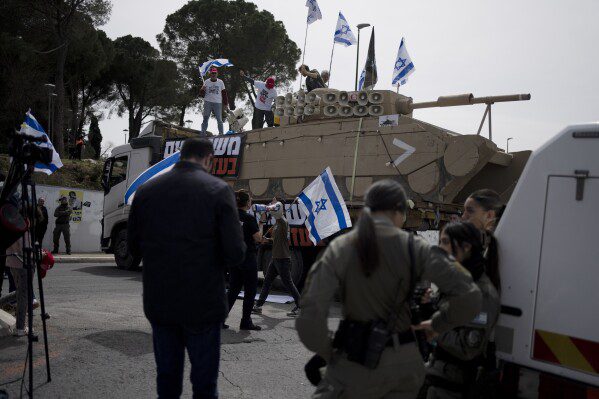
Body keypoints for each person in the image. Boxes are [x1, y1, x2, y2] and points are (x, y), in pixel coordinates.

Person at [296, 179, 482, 399]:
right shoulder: (417, 247)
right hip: (406, 367)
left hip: (355, 363)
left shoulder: (341, 248)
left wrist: (330, 352)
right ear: (399, 212)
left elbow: (309, 319)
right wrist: (437, 325)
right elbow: (470, 296)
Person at [127, 137, 246, 399]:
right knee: (204, 385)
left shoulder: (147, 190)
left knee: (167, 381)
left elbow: (133, 247)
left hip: (160, 301)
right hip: (203, 304)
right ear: (208, 159)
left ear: (181, 156)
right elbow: (236, 253)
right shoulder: (218, 190)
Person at [418, 222, 501, 399]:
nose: (441, 248)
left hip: (455, 387)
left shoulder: (481, 293)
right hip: (437, 376)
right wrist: (428, 308)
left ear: (466, 247)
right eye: (440, 241)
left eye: (446, 242)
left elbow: (466, 348)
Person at [253, 200, 302, 317]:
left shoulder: (284, 223)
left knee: (288, 283)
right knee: (267, 282)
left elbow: (284, 235)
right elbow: (277, 240)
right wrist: (268, 240)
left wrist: (274, 208)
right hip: (275, 259)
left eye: (275, 209)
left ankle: (301, 306)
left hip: (283, 259)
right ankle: (259, 305)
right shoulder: (277, 223)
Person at [225, 190, 264, 331]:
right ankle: (245, 321)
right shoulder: (249, 218)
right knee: (250, 290)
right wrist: (261, 223)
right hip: (248, 258)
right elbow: (258, 238)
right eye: (250, 200)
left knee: (233, 289)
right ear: (247, 203)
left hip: (234, 258)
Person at [201, 67, 226, 135]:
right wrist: (202, 90)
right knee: (205, 119)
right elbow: (202, 95)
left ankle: (221, 134)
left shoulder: (221, 82)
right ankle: (203, 133)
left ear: (217, 74)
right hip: (208, 102)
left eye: (215, 73)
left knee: (219, 120)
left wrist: (225, 104)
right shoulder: (206, 82)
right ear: (210, 74)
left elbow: (224, 93)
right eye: (212, 73)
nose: (214, 74)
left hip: (217, 103)